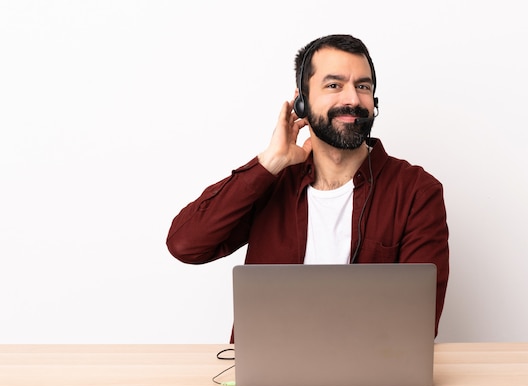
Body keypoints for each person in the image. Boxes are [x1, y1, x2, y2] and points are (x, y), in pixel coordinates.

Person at [166, 34, 449, 341]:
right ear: (301, 101)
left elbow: (417, 324)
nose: (353, 99)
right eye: (334, 85)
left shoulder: (417, 191)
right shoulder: (271, 184)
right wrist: (268, 164)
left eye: (363, 86)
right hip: (269, 376)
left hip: (369, 381)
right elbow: (186, 244)